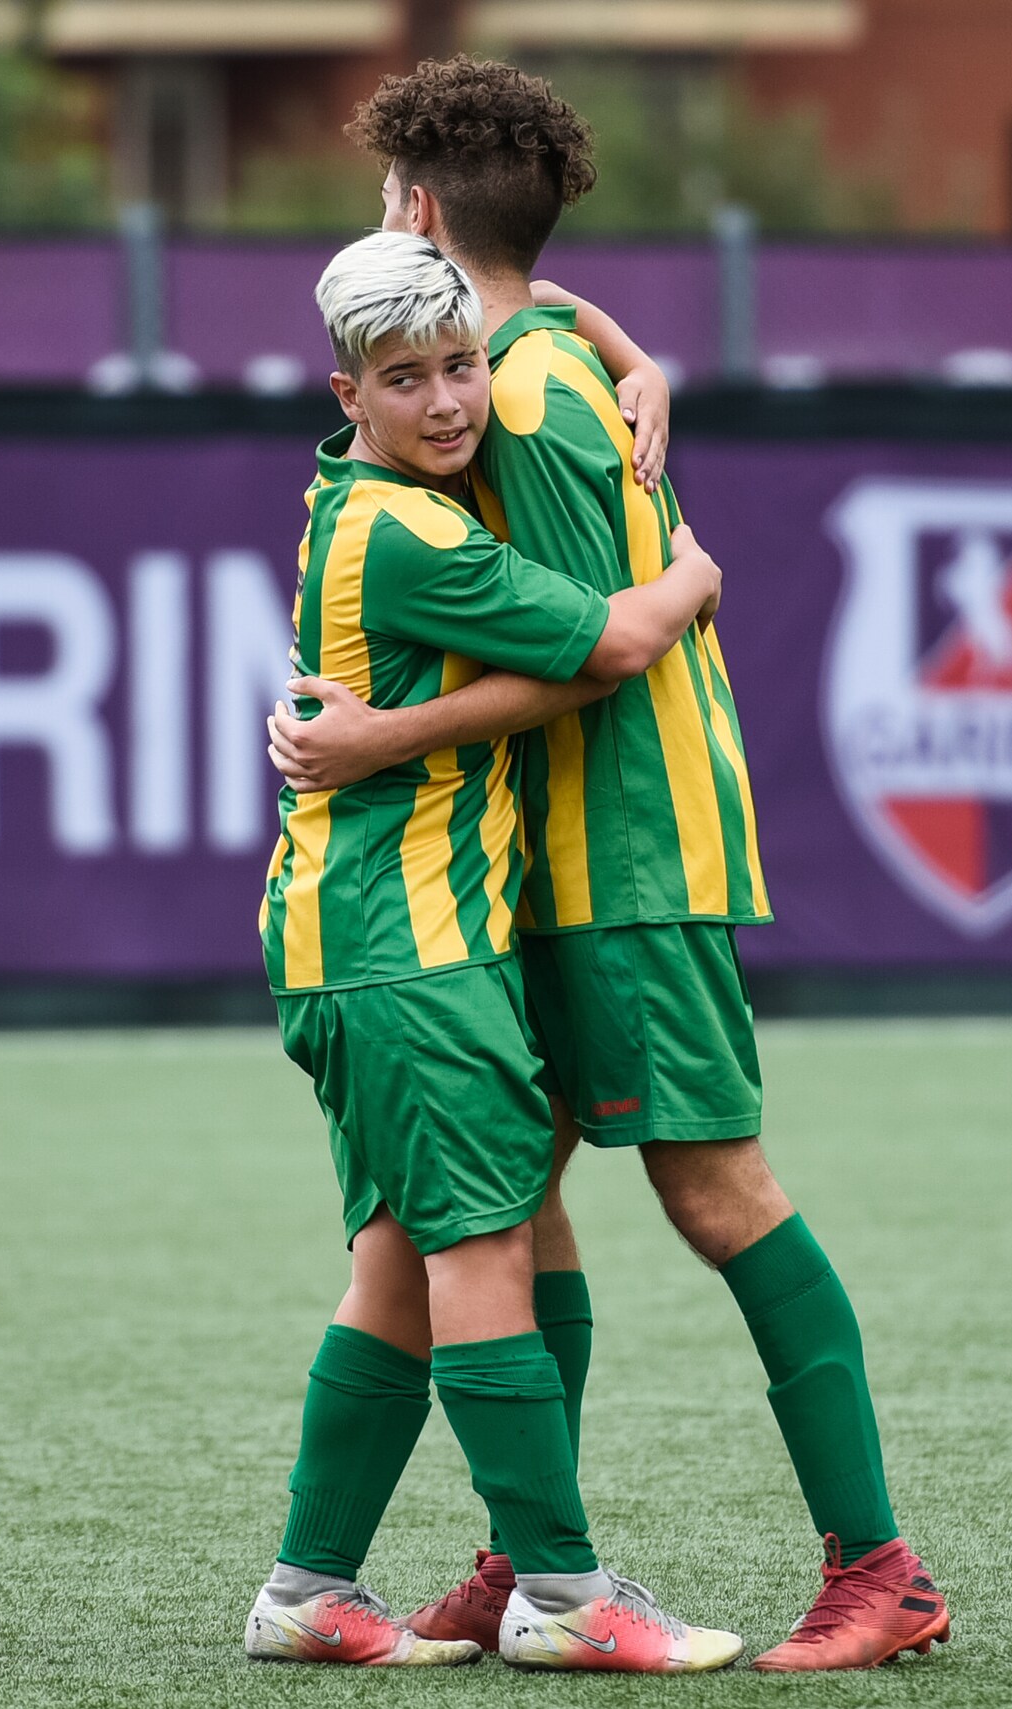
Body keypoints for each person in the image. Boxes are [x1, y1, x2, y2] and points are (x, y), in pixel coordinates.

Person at [267, 58, 954, 1673]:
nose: (437, 388)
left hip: (623, 851)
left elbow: (605, 651)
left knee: (715, 1189)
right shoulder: (536, 348)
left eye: (387, 206)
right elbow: (539, 310)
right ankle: (525, 1563)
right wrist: (642, 349)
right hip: (536, 864)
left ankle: (879, 1567)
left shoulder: (512, 393)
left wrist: (382, 736)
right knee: (510, 1209)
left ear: (413, 212)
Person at [245, 229, 743, 1675]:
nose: (452, 401)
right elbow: (609, 649)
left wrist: (636, 356)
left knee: (403, 1260)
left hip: (365, 937)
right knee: (482, 1247)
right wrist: (694, 574)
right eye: (407, 380)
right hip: (406, 942)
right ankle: (566, 1597)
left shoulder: (364, 495)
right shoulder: (415, 534)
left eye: (463, 365)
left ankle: (308, 1592)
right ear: (350, 393)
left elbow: (541, 295)